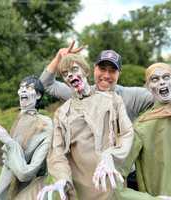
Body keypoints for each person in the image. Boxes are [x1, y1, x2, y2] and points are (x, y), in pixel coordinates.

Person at [37, 53, 133, 200]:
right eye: (65, 73)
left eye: (74, 69)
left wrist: (112, 155)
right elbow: (56, 152)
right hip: (79, 189)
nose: (70, 75)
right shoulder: (62, 113)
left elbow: (127, 134)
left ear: (86, 72)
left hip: (108, 182)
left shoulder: (113, 100)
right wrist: (61, 177)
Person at [0, 76, 53, 200]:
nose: (23, 90)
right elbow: (9, 169)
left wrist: (9, 141)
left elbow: (25, 173)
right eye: (21, 88)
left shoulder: (45, 125)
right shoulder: (20, 118)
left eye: (29, 88)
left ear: (38, 95)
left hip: (31, 194)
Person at [114, 63, 171, 200]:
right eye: (155, 79)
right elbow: (115, 180)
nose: (162, 82)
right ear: (148, 87)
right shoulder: (142, 127)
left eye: (166, 77)